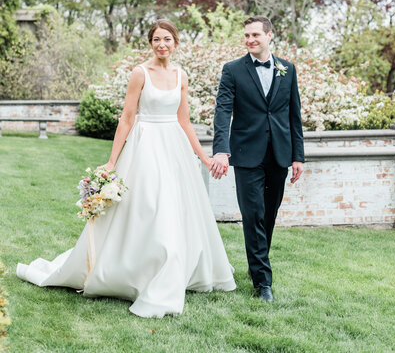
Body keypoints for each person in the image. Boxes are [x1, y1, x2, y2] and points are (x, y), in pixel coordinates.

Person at [17, 19, 236, 317]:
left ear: (176, 43)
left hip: (174, 149)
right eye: (157, 39)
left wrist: (204, 156)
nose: (162, 44)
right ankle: (139, 270)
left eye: (168, 39)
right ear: (150, 42)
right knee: (146, 207)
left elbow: (183, 120)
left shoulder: (181, 75)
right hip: (144, 147)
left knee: (175, 209)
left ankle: (174, 266)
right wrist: (111, 161)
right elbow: (127, 119)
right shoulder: (139, 73)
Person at [210, 15, 304, 302]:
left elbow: (293, 115)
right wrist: (220, 149)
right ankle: (263, 282)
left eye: (255, 35)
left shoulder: (287, 69)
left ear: (269, 36)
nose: (250, 40)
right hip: (246, 154)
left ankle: (257, 266)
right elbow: (223, 111)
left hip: (279, 154)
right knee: (253, 216)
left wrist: (298, 156)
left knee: (269, 216)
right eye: (247, 36)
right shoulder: (233, 70)